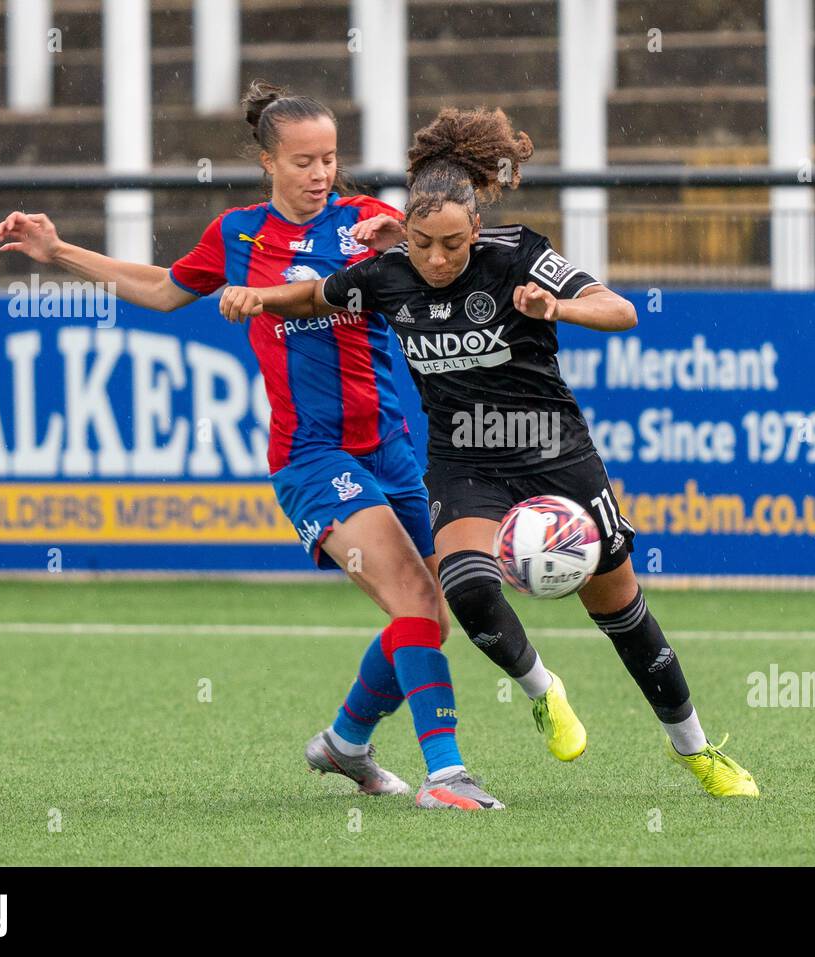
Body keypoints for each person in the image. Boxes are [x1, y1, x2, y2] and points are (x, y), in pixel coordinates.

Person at [217, 107, 760, 798]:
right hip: (464, 461)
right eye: (422, 243)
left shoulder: (519, 254)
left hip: (552, 452)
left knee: (620, 609)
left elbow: (620, 310)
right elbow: (313, 295)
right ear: (403, 234)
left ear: (477, 229)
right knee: (466, 587)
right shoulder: (386, 272)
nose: (437, 259)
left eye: (451, 243)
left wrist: (556, 308)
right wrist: (258, 296)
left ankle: (694, 748)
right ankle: (543, 687)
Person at [0, 83, 503, 811]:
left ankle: (345, 741)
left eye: (329, 157)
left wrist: (403, 242)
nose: (320, 172)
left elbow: (441, 252)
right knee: (418, 601)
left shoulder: (369, 219)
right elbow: (165, 289)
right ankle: (447, 774)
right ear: (269, 162)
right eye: (302, 160)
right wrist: (57, 249)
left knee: (427, 618)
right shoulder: (238, 235)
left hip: (392, 451)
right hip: (312, 458)